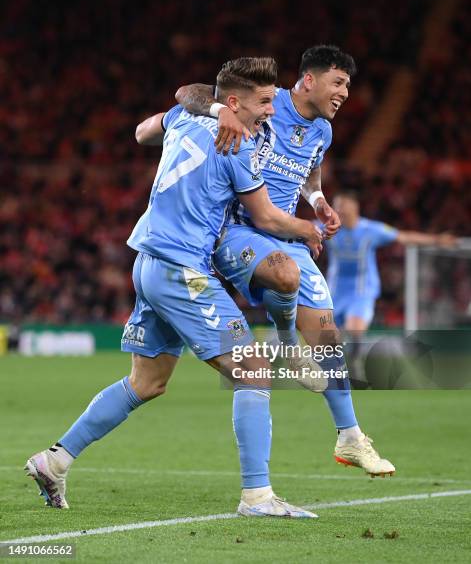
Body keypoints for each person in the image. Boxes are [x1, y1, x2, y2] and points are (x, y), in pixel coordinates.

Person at [25, 57, 324, 518]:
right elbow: (265, 218)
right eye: (264, 101)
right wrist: (308, 229)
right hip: (182, 266)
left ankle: (54, 460)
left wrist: (203, 109)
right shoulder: (238, 146)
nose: (271, 110)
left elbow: (143, 131)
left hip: (147, 261)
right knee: (253, 367)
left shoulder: (187, 115)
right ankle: (258, 497)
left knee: (147, 382)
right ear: (234, 102)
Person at [174, 45, 395, 476]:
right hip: (238, 229)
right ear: (308, 80)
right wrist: (220, 109)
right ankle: (289, 347)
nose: (345, 93)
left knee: (327, 330)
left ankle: (350, 437)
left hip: (287, 229)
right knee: (285, 274)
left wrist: (318, 201)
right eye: (339, 82)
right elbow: (186, 92)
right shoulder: (266, 105)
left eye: (348, 85)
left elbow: (309, 173)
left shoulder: (323, 132)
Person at [326, 190, 457, 358]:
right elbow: (303, 228)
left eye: (342, 206)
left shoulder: (371, 230)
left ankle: (354, 365)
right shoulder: (327, 227)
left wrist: (437, 240)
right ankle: (339, 368)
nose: (338, 210)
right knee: (327, 339)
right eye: (336, 206)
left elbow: (403, 236)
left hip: (361, 291)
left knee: (354, 330)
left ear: (354, 207)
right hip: (333, 291)